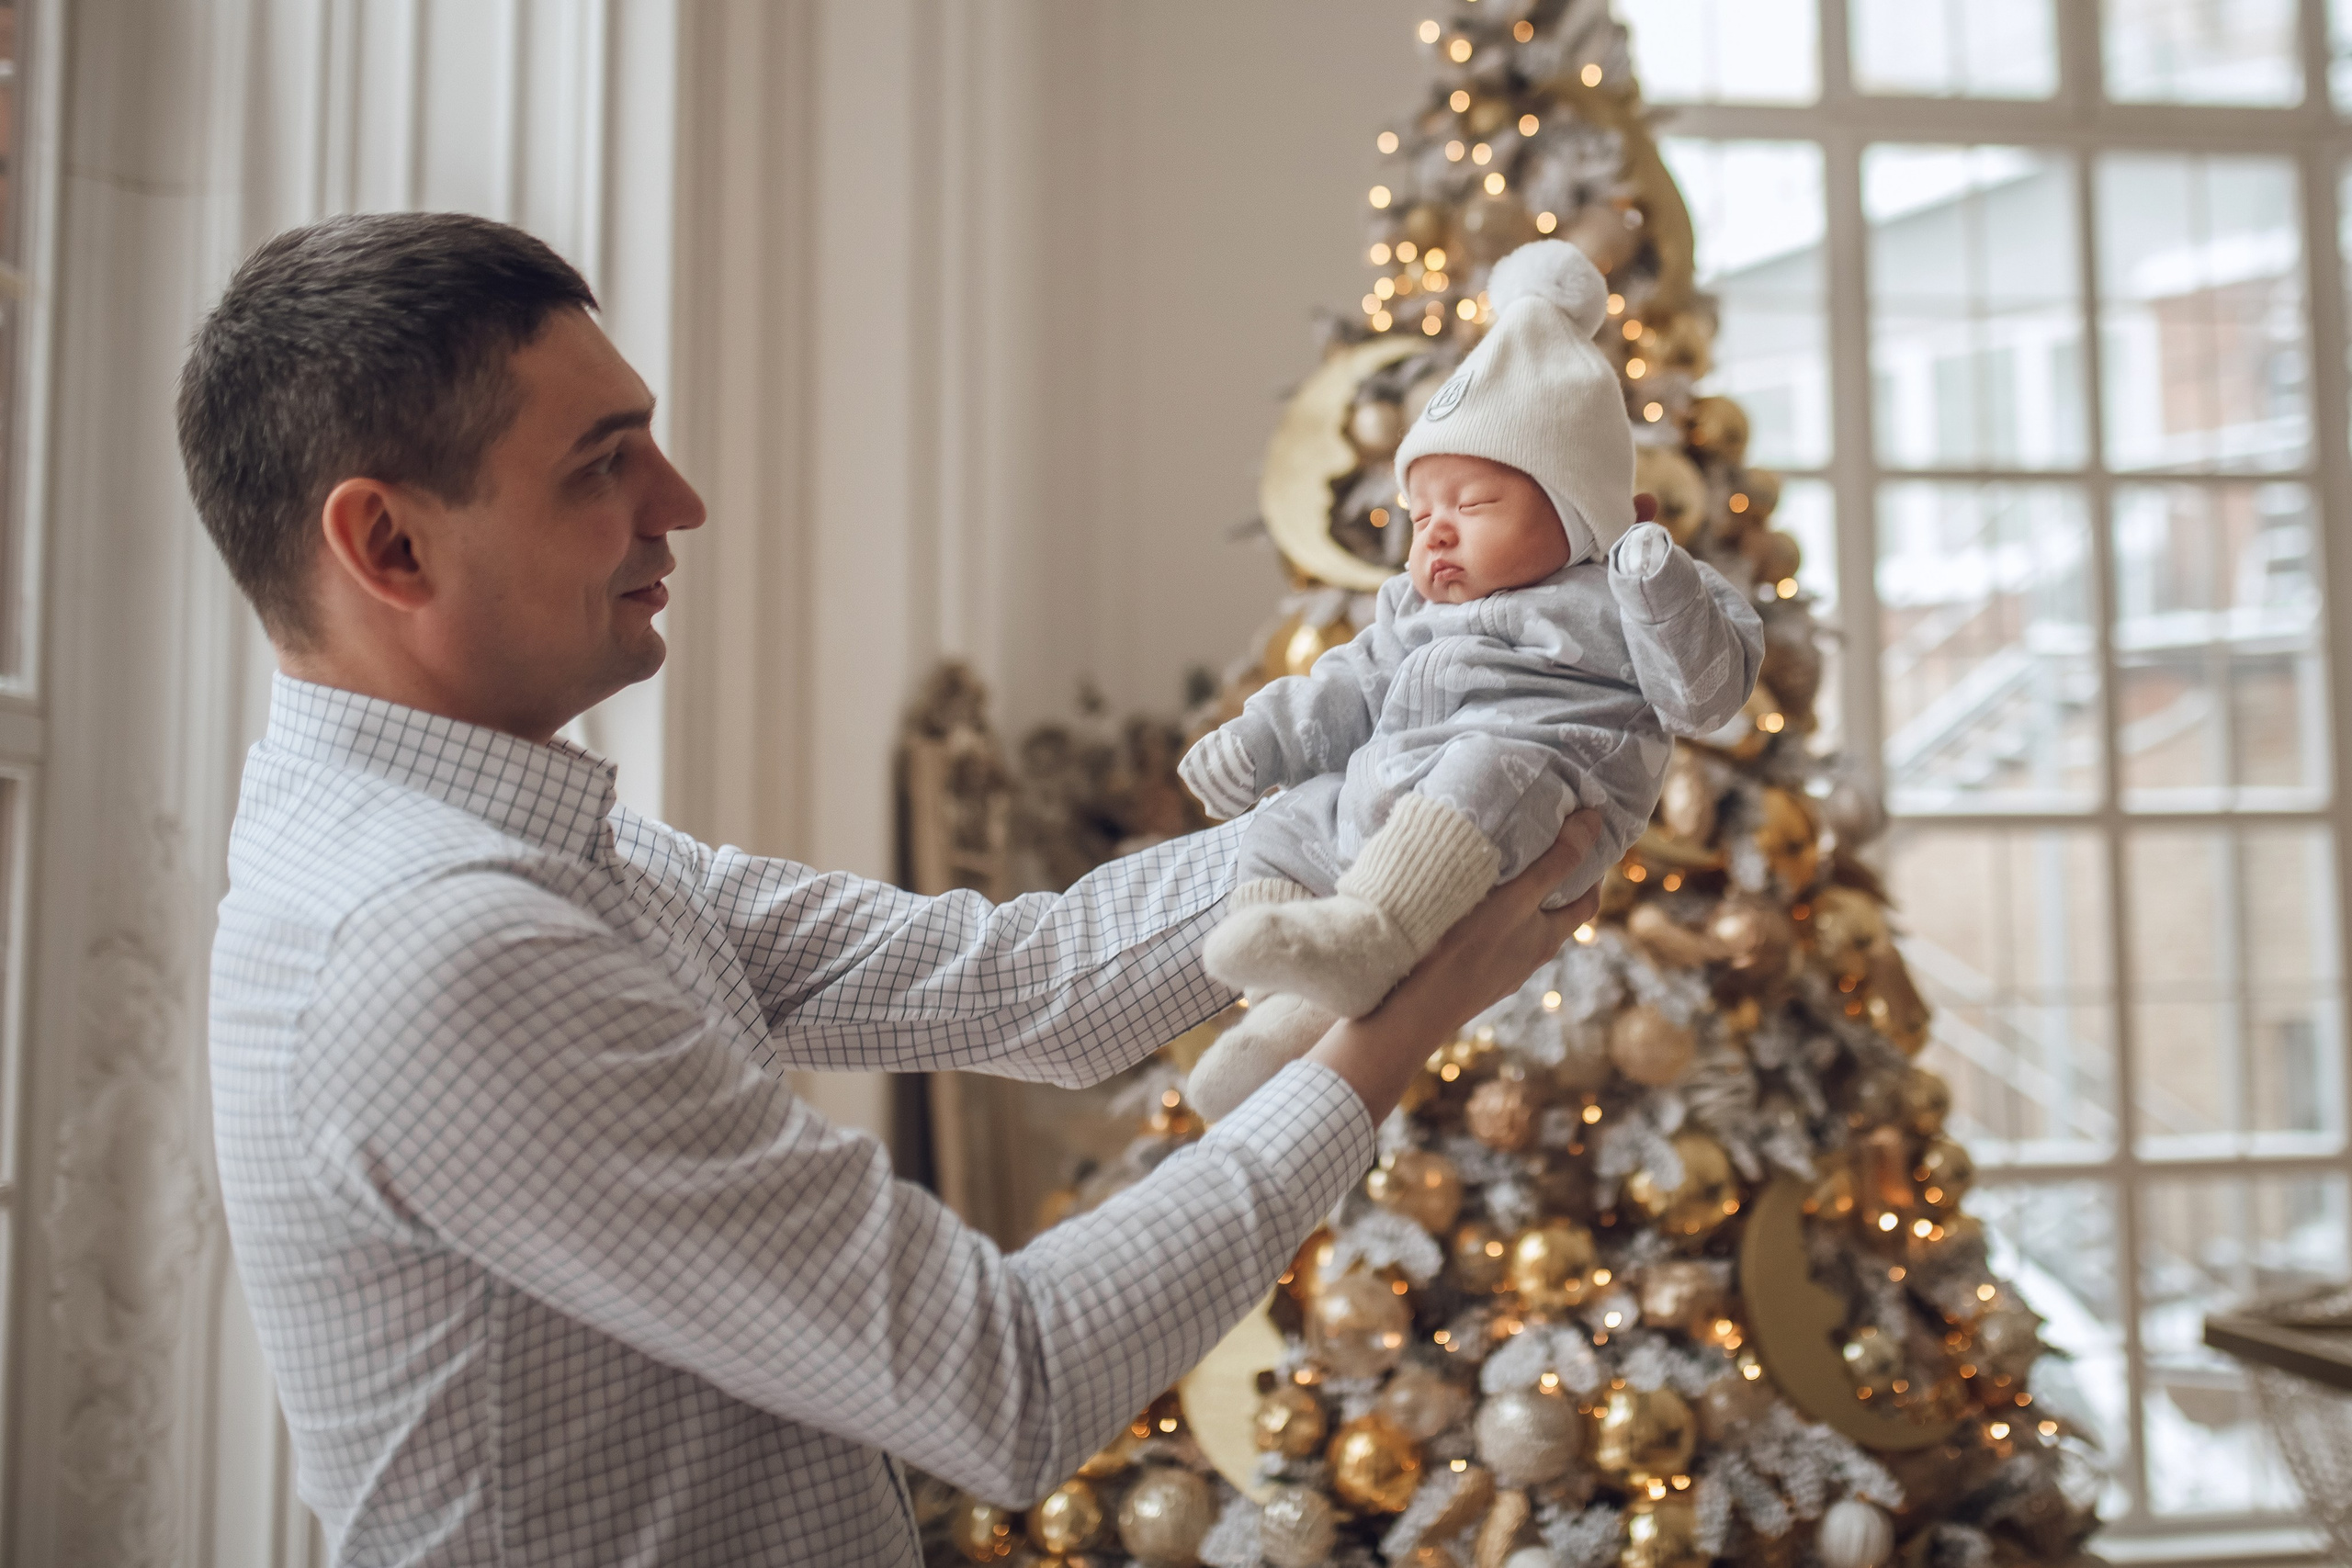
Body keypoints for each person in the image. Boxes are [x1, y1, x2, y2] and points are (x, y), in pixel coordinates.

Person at [181, 209, 1605, 1567]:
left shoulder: (532, 839)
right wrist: (1390, 1032)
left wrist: (1417, 779)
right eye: (602, 462)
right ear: (389, 544)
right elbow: (1008, 1377)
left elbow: (1023, 983)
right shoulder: (442, 943)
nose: (679, 502)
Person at [1178, 241, 1760, 1119]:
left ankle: (1364, 935)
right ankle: (1276, 1010)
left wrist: (1655, 581)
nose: (1436, 534)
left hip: (1534, 802)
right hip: (1396, 807)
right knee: (1295, 813)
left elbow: (1705, 695)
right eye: (1421, 514)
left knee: (1487, 763)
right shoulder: (1411, 611)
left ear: (1580, 513)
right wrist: (1260, 739)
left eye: (1476, 506)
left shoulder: (1615, 588)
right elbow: (1348, 683)